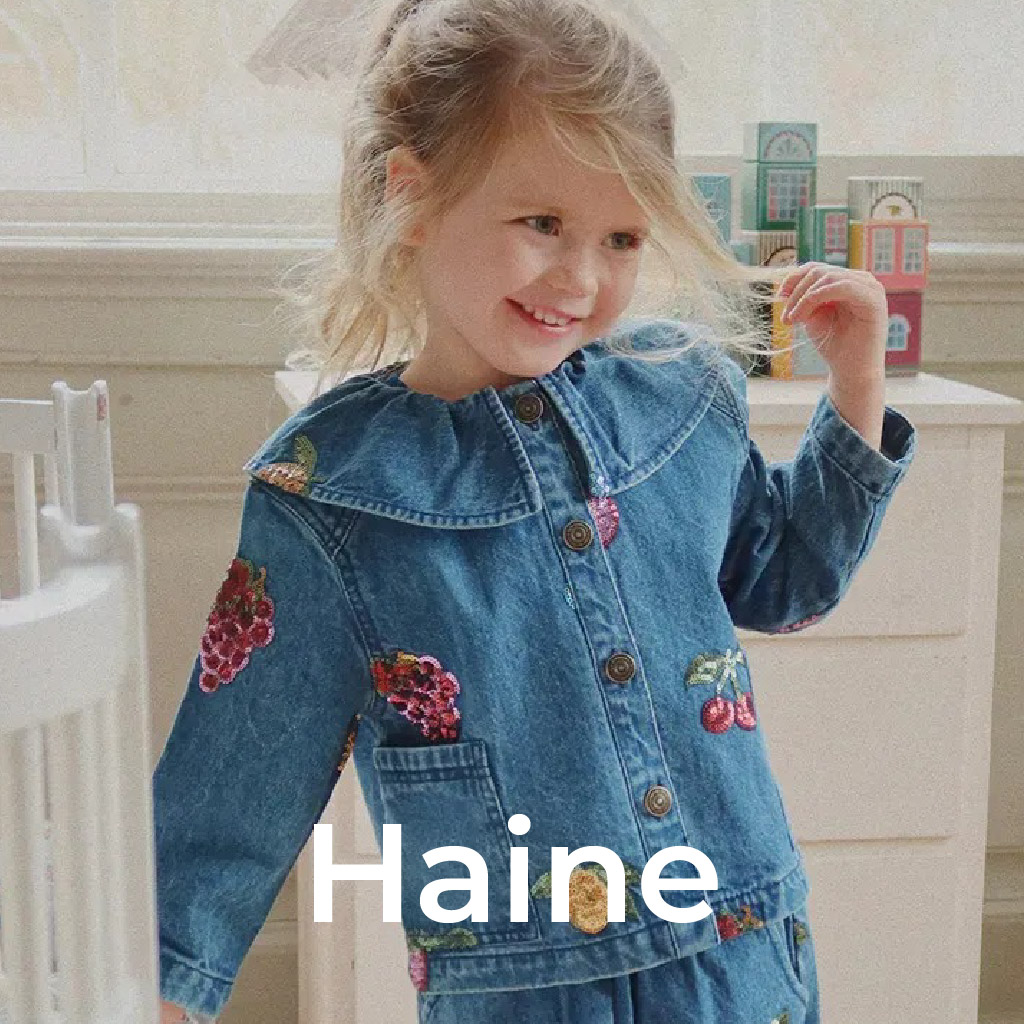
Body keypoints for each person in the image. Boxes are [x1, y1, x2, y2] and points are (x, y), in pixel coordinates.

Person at [152, 0, 918, 1021]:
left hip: (741, 953)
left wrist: (856, 382)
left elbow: (785, 584)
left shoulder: (680, 395)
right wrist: (161, 989)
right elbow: (234, 787)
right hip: (524, 988)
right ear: (413, 198)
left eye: (622, 237)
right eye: (542, 224)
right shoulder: (330, 492)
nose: (581, 278)